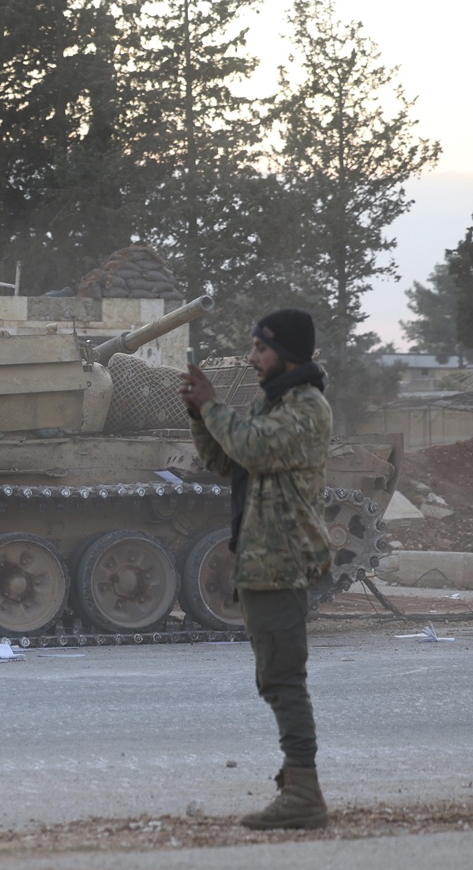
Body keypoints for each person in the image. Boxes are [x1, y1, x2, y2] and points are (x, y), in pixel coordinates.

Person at [178, 308, 332, 831]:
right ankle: (297, 785)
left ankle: (304, 795)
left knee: (283, 679)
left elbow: (253, 447)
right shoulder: (278, 402)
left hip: (281, 559)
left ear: (286, 352)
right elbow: (227, 461)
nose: (252, 358)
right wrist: (201, 417)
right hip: (263, 558)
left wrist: (214, 407)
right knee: (276, 678)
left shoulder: (307, 408)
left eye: (260, 349)